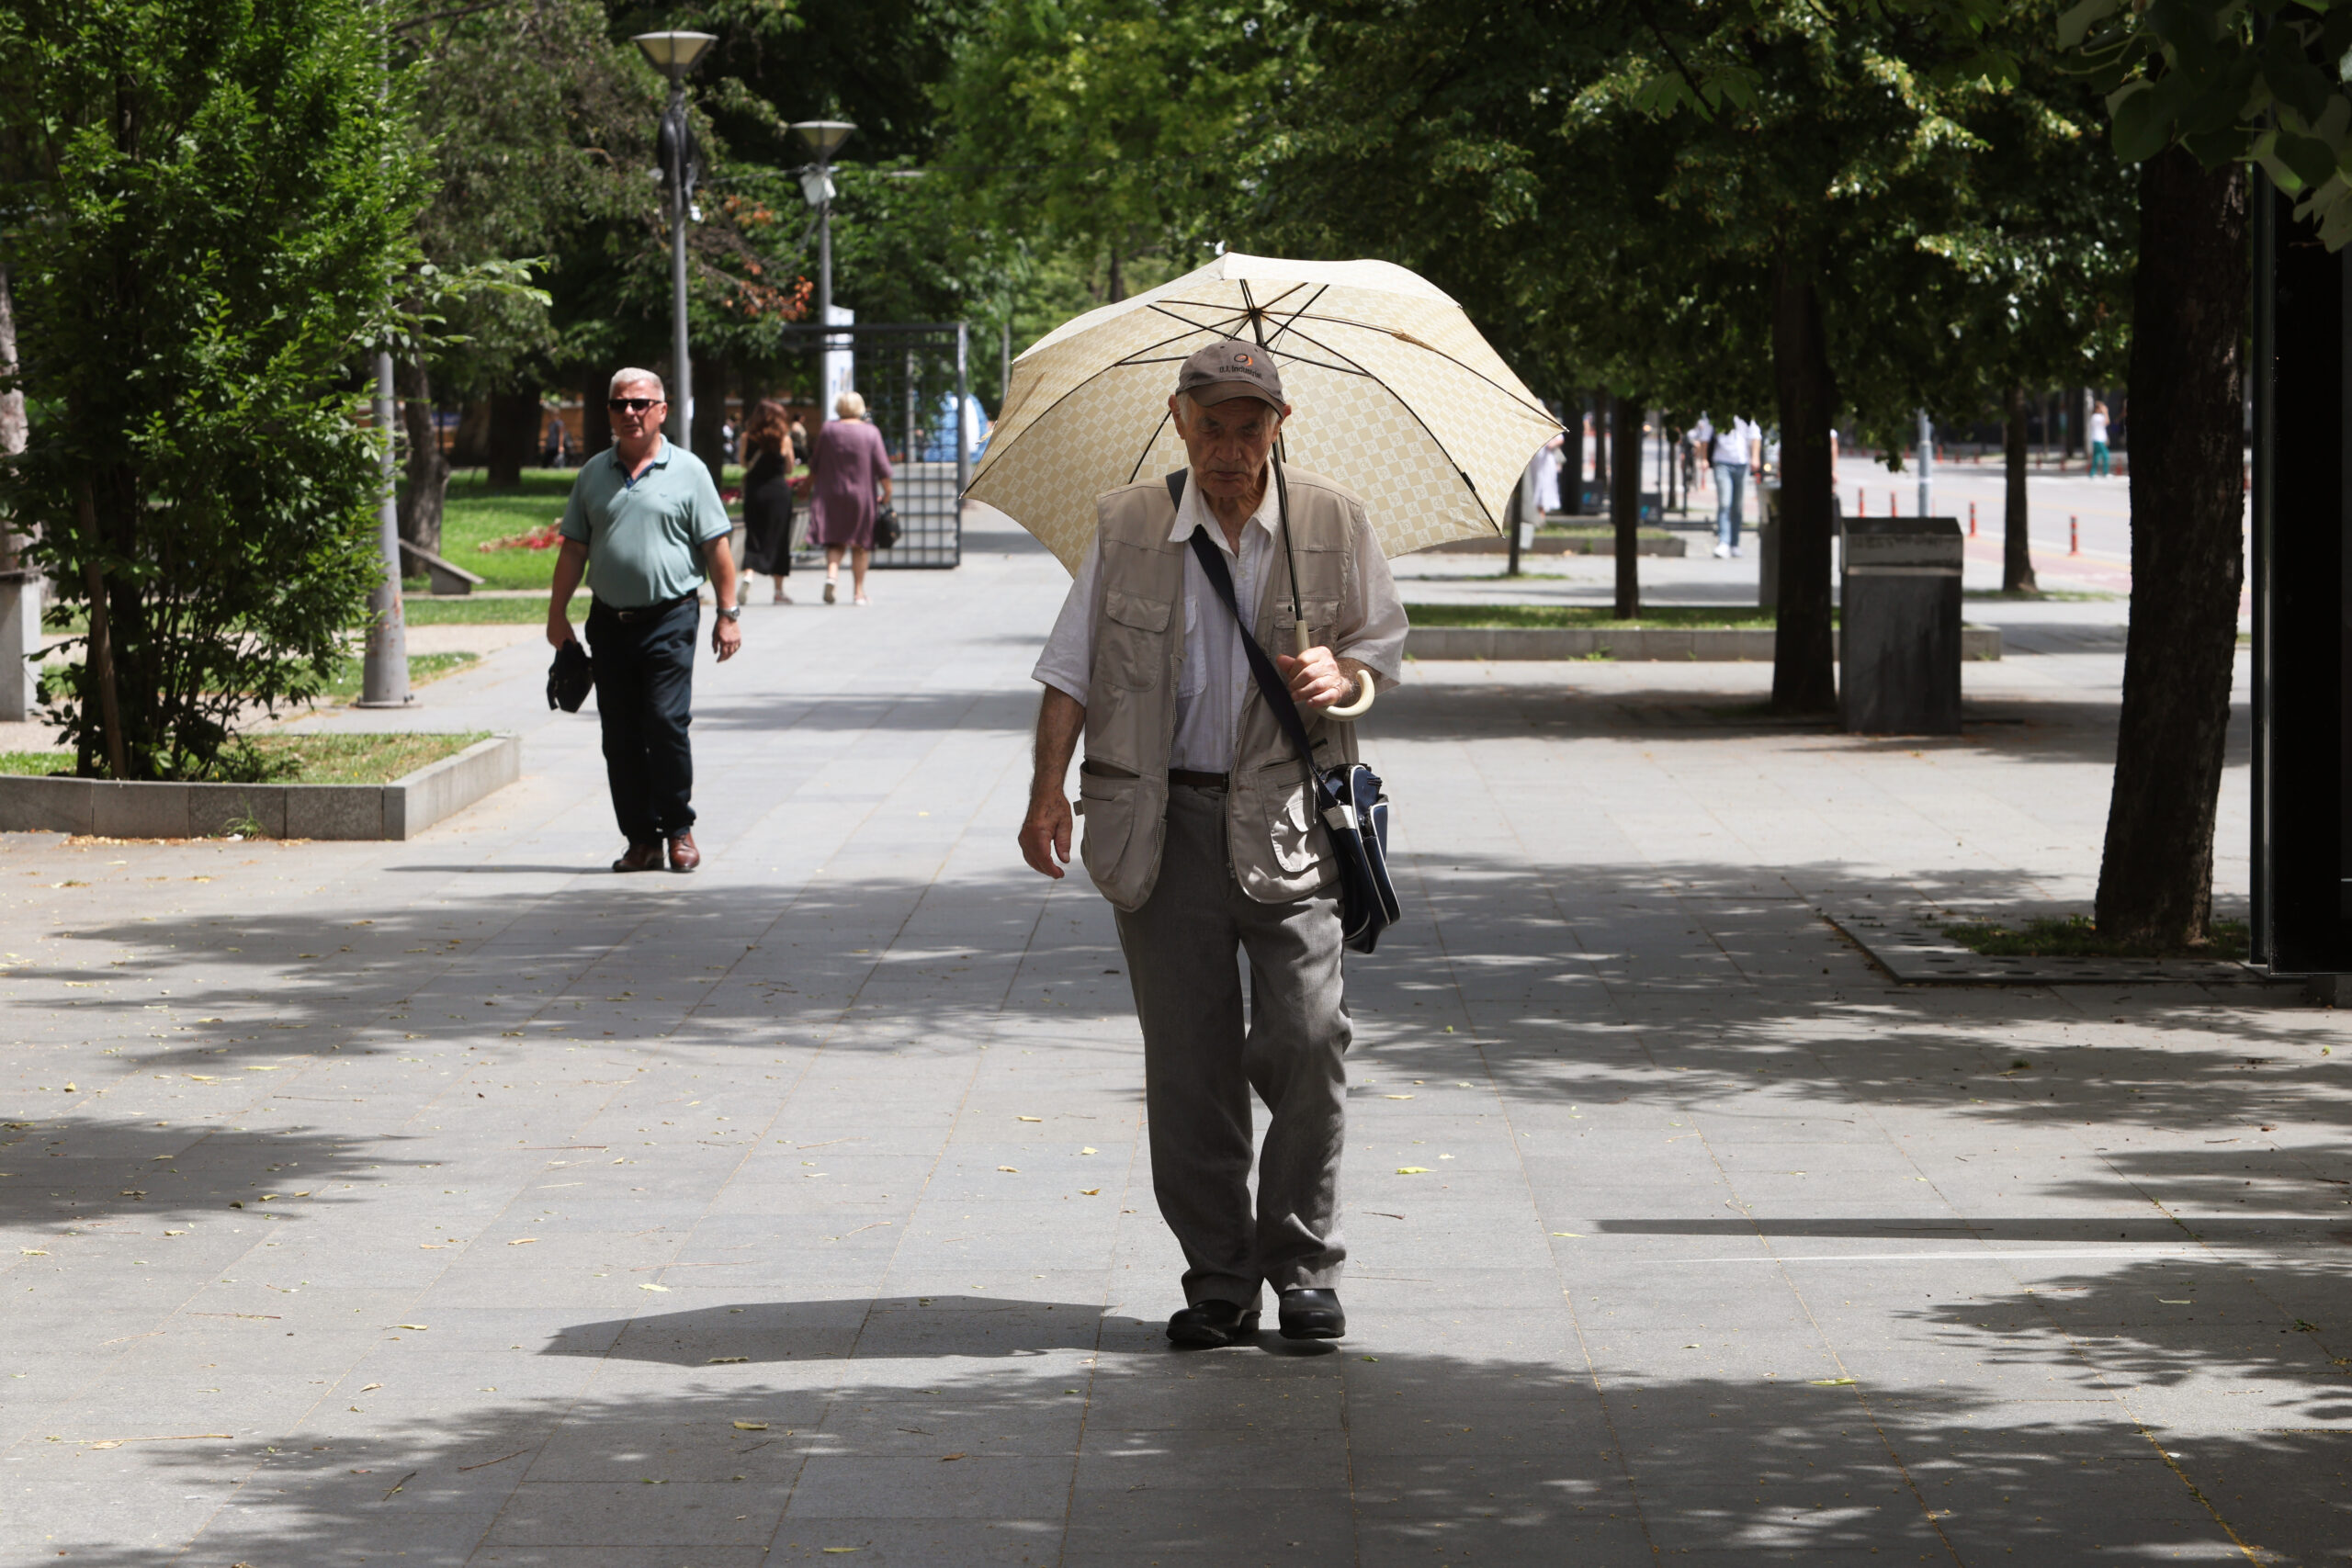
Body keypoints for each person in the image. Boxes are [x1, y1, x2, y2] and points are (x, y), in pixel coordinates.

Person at [1018, 339, 1408, 1349]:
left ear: (1280, 429)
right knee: (1187, 1065)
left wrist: (1343, 676)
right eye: (1212, 428)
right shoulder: (1129, 526)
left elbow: (1381, 654)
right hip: (1160, 823)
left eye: (1249, 428)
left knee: (1310, 1038)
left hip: (1288, 825)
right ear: (1180, 424)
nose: (1230, 449)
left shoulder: (1333, 522)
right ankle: (1220, 1279)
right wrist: (1045, 792)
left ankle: (1303, 1265)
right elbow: (1071, 671)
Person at [545, 368, 741, 874]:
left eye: (639, 403)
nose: (629, 413)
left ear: (661, 410)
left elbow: (717, 549)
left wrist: (728, 614)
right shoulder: (592, 474)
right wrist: (556, 615)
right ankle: (641, 840)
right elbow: (574, 550)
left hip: (670, 616)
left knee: (666, 722)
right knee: (620, 735)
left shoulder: (690, 471)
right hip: (608, 622)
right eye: (619, 405)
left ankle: (678, 828)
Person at [807, 390, 894, 605]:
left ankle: (832, 576)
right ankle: (858, 592)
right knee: (860, 544)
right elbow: (883, 469)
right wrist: (887, 493)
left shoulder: (828, 430)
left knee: (835, 541)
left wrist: (804, 488)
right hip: (862, 496)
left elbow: (815, 465)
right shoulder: (871, 433)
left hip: (831, 494)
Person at [738, 399, 797, 603]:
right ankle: (778, 591)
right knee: (780, 539)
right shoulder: (784, 439)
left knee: (753, 535)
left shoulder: (747, 437)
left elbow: (743, 463)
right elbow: (789, 468)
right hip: (778, 492)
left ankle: (748, 575)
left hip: (755, 491)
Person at [1710, 413, 1761, 559]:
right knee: (1725, 503)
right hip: (1722, 461)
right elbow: (1707, 435)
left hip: (1742, 463)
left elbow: (1755, 434)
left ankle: (1734, 543)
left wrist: (1755, 457)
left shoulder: (1746, 413)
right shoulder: (1719, 413)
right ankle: (1724, 542)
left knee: (1737, 506)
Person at [2087, 400, 2111, 478]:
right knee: (2106, 456)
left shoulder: (2098, 417)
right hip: (2098, 439)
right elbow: (2107, 422)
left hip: (2099, 439)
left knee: (2096, 457)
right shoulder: (2096, 417)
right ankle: (2105, 472)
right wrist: (2106, 412)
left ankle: (2092, 473)